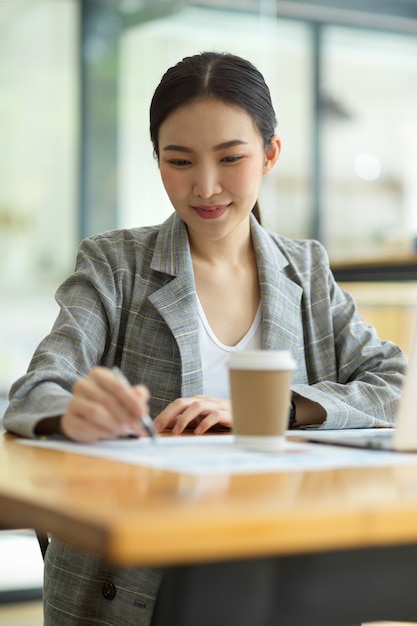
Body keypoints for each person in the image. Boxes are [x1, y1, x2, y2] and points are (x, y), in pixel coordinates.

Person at [3, 51, 406, 625]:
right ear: (158, 162)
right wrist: (73, 415)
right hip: (148, 578)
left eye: (231, 157)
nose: (206, 186)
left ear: (270, 154)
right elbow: (35, 389)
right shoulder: (116, 264)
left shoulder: (308, 270)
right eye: (180, 160)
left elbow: (396, 382)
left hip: (289, 553)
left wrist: (274, 410)